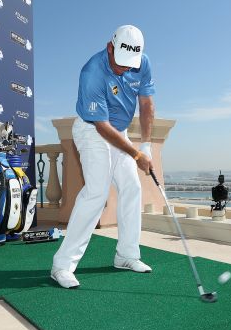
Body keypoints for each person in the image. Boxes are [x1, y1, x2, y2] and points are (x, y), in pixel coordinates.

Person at [51, 25, 155, 289]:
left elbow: (146, 104)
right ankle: (62, 265)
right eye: (120, 63)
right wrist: (135, 154)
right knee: (97, 193)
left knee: (131, 187)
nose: (125, 69)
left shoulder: (141, 63)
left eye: (130, 64)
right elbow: (102, 127)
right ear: (110, 47)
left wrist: (146, 146)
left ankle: (126, 256)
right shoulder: (92, 72)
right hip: (92, 130)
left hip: (119, 132)